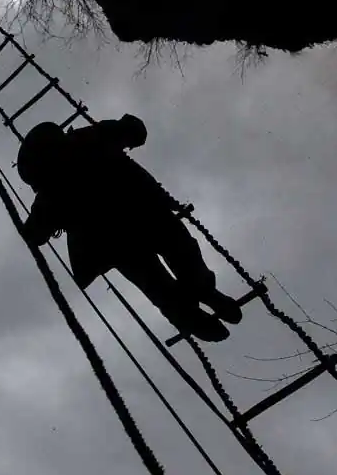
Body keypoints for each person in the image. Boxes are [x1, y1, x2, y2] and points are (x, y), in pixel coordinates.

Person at [16, 116, 243, 343]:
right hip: (137, 221)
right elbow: (132, 130)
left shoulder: (59, 180)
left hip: (126, 231)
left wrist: (125, 131)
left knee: (166, 272)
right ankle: (197, 306)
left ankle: (196, 307)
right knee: (171, 265)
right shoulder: (83, 147)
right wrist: (125, 131)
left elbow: (35, 233)